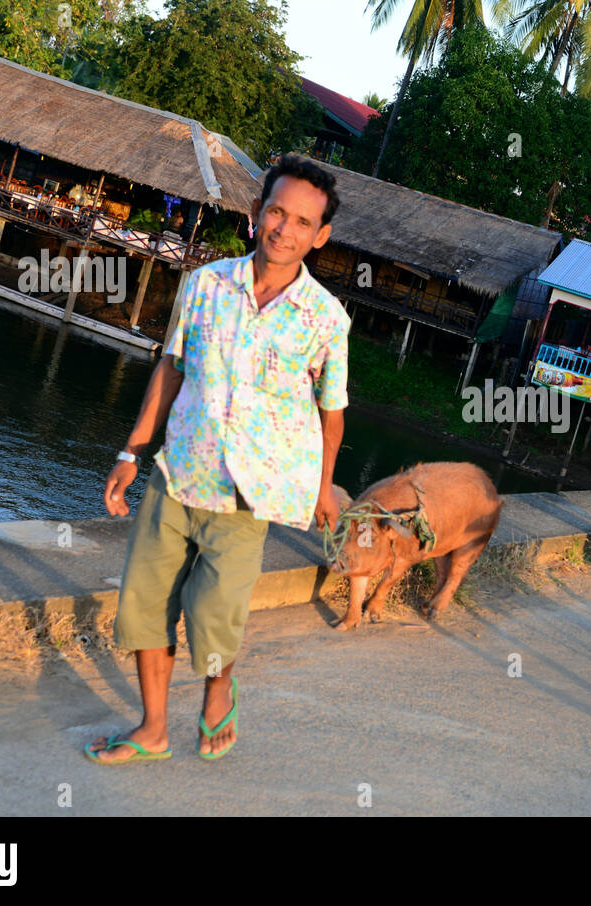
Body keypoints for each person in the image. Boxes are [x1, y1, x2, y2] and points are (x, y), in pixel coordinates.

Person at [87, 155, 348, 764]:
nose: (284, 230)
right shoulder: (205, 286)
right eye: (276, 212)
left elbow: (331, 411)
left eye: (302, 222)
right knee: (146, 606)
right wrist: (132, 450)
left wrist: (324, 485)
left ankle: (219, 685)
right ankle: (152, 728)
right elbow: (171, 369)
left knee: (213, 617)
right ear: (257, 214)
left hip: (247, 495)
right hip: (178, 473)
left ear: (320, 236)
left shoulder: (326, 320)